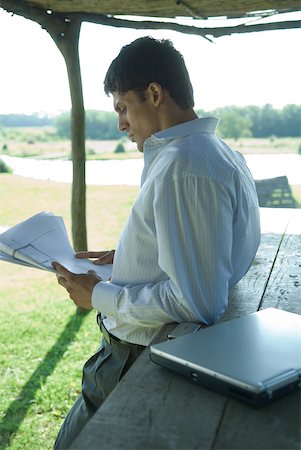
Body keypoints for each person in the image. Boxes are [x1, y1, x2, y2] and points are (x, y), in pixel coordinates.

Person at [53, 36, 260, 448]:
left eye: (122, 107)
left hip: (138, 357)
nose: (121, 124)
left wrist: (99, 296)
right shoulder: (211, 153)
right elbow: (202, 255)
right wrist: (129, 257)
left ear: (154, 93)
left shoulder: (186, 166)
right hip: (140, 351)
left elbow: (197, 302)